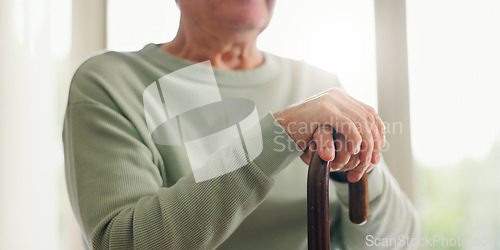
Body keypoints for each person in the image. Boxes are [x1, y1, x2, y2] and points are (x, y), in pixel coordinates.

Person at [63, 0, 419, 249]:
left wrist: (354, 171)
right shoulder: (110, 83)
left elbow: (399, 243)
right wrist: (277, 132)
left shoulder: (319, 87)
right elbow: (125, 244)